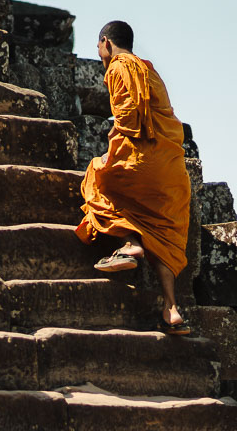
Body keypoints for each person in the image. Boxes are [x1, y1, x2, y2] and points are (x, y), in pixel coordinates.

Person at [74, 20, 192, 335]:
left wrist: (112, 156)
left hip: (145, 161)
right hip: (172, 169)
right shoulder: (150, 70)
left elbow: (128, 118)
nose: (99, 54)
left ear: (105, 42)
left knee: (97, 177)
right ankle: (171, 309)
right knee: (163, 233)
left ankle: (128, 246)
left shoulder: (118, 66)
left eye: (98, 48)